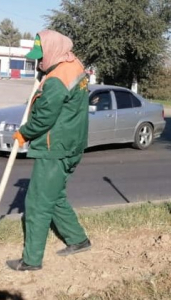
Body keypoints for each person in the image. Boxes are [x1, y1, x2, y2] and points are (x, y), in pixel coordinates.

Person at [6, 30, 91, 271]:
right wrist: (46, 69)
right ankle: (78, 239)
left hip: (56, 147)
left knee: (36, 202)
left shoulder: (55, 80)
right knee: (55, 197)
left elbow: (44, 117)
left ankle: (31, 260)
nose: (38, 62)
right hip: (72, 145)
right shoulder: (73, 64)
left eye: (40, 56)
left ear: (53, 50)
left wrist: (24, 132)